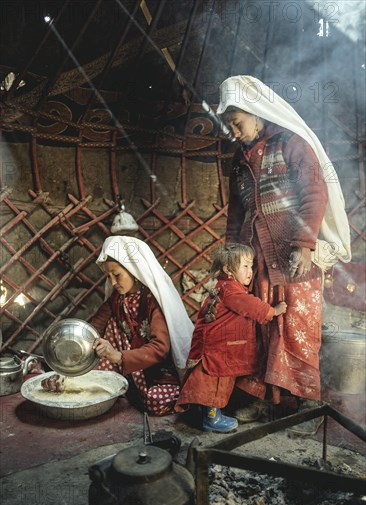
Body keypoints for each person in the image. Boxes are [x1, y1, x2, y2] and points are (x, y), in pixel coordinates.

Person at [215, 75, 351, 435]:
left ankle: (305, 407)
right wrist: (231, 257)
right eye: (229, 125)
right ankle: (263, 401)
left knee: (298, 329)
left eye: (237, 122)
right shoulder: (238, 160)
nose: (234, 131)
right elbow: (236, 213)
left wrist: (305, 245)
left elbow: (314, 193)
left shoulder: (292, 144)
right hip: (256, 258)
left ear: (257, 113)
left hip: (295, 256)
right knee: (260, 327)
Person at [175, 243, 287, 433]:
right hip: (217, 351)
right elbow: (250, 305)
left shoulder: (225, 287)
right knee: (215, 387)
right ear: (228, 269)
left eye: (251, 266)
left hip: (215, 348)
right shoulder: (230, 290)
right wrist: (273, 311)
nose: (250, 271)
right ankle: (212, 419)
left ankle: (206, 415)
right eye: (245, 266)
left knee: (211, 386)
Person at [90, 235, 194, 416]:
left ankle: (131, 391)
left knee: (156, 401)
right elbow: (96, 324)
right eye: (108, 277)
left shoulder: (153, 301)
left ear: (133, 270)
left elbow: (160, 348)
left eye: (117, 275)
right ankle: (128, 388)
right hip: (129, 368)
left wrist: (118, 356)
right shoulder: (117, 299)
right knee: (112, 324)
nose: (113, 283)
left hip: (155, 369)